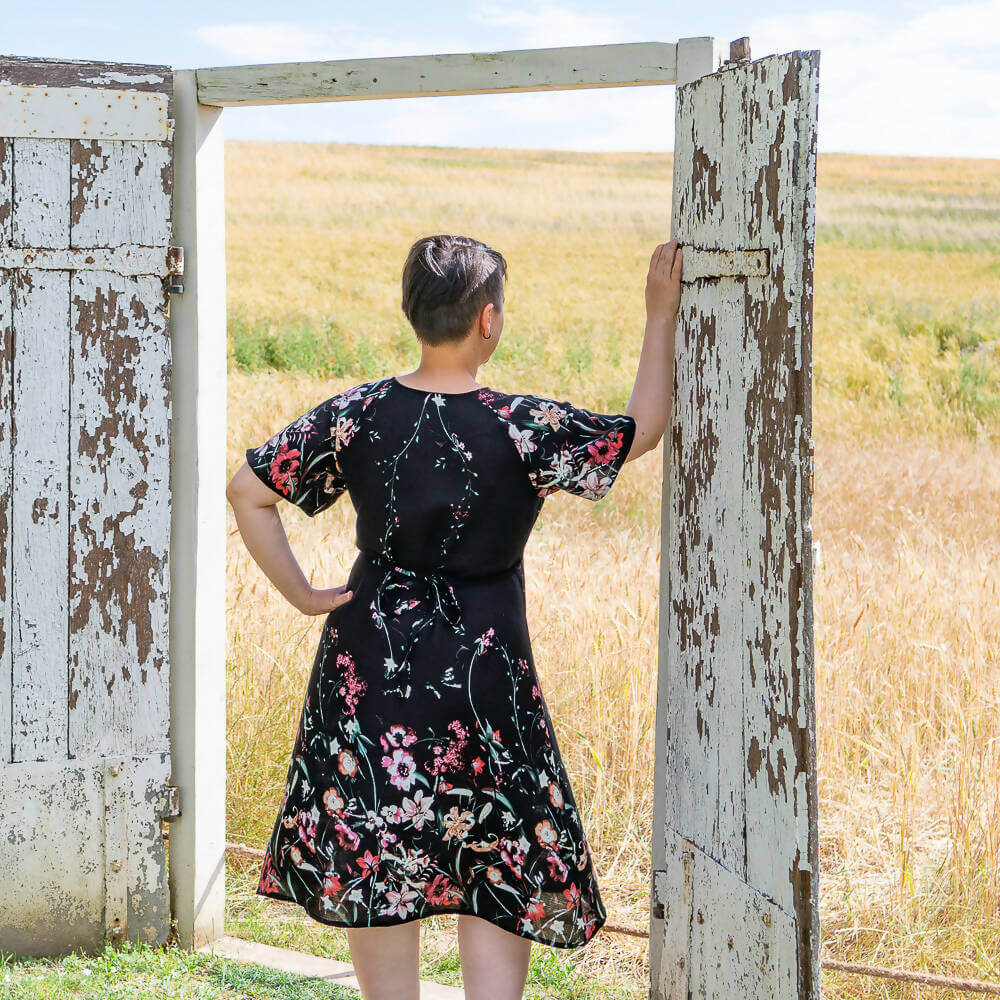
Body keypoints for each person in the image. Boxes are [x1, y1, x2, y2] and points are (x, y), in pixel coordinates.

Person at [226, 233, 682, 1000]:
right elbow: (639, 430)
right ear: (490, 320)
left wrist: (304, 594)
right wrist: (659, 314)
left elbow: (249, 490)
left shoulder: (359, 412)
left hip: (370, 667)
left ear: (413, 313)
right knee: (498, 849)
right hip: (486, 673)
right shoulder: (522, 424)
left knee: (379, 839)